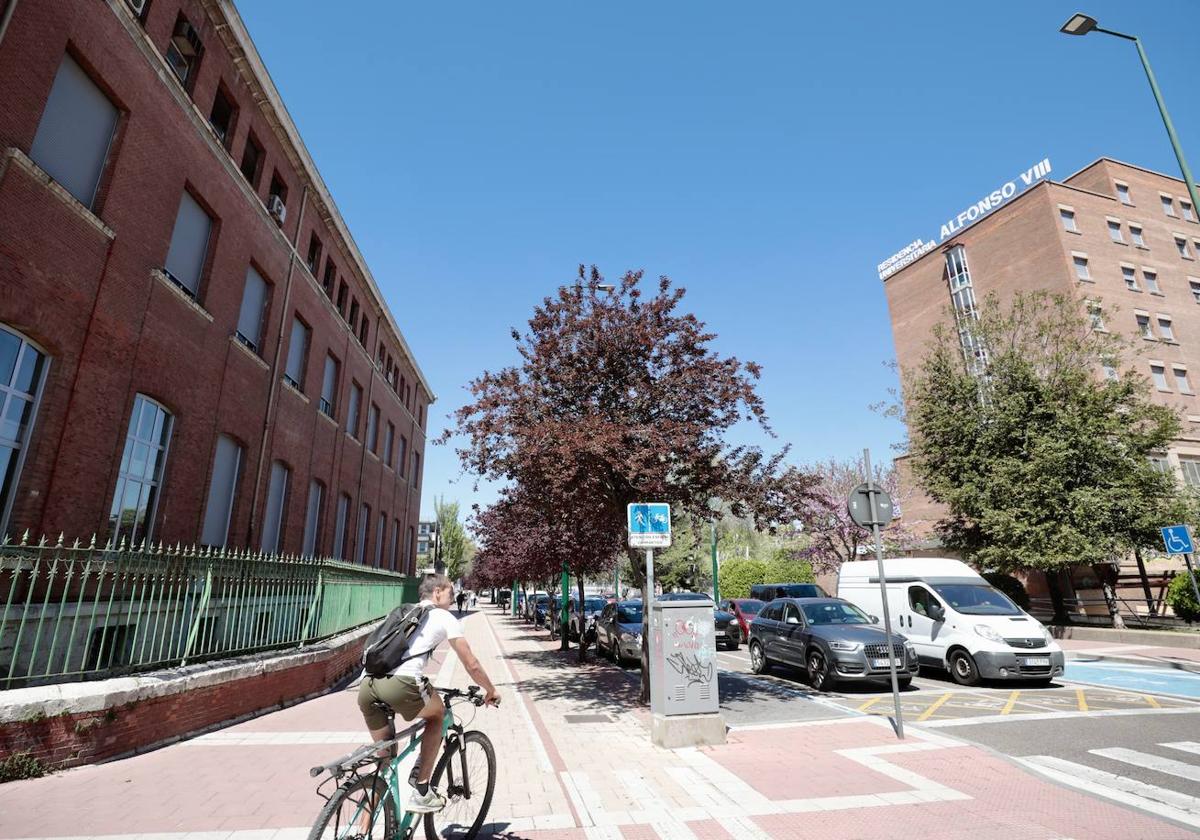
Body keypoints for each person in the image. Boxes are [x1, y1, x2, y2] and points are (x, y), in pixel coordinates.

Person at [357, 574, 499, 813]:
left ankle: (362, 829)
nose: (453, 598)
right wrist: (491, 690)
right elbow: (471, 663)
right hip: (402, 684)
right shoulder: (443, 616)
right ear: (437, 592)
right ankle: (422, 790)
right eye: (450, 592)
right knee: (438, 715)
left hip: (367, 686)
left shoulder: (404, 611)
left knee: (384, 760)